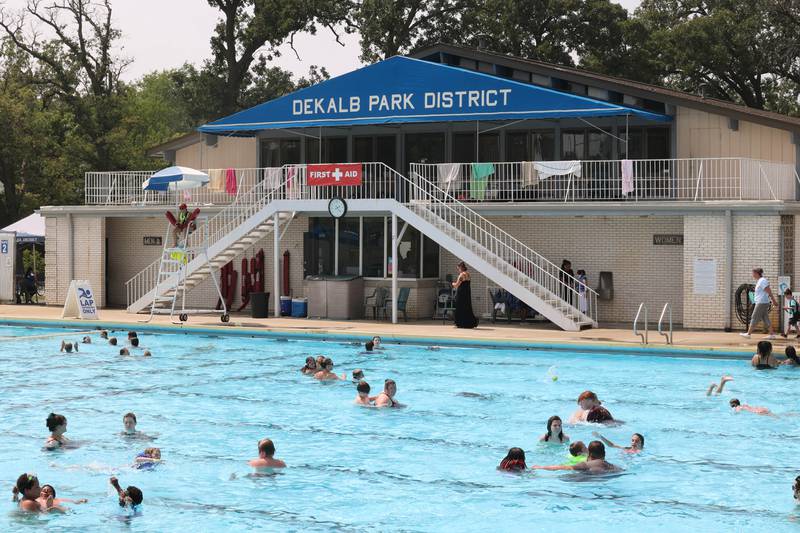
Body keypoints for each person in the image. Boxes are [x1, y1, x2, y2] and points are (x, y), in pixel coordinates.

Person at [531, 441, 622, 474]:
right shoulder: (615, 467)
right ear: (604, 453)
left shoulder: (585, 465)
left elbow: (562, 467)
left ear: (589, 453)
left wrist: (540, 467)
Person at [741, 268, 777, 338]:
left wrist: (774, 300)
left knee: (754, 317)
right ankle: (772, 334)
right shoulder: (760, 281)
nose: (752, 275)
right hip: (762, 302)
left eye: (753, 273)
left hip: (761, 302)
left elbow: (768, 290)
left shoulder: (762, 281)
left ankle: (748, 334)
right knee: (765, 318)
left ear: (757, 273)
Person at [452, 261, 478, 329]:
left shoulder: (461, 275)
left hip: (461, 293)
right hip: (467, 293)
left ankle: (460, 323)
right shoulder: (468, 274)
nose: (458, 270)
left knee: (460, 307)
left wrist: (452, 284)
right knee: (467, 307)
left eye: (458, 268)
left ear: (461, 268)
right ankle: (469, 323)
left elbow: (457, 285)